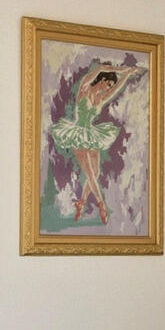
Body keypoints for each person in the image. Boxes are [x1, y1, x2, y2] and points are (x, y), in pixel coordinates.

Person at [49, 60, 146, 225]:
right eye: (107, 84)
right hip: (79, 134)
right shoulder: (85, 87)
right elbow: (100, 68)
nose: (107, 88)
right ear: (102, 80)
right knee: (90, 173)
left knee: (95, 172)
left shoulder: (101, 98)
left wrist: (127, 75)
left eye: (109, 87)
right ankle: (101, 205)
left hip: (91, 135)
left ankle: (81, 202)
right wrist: (121, 70)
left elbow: (116, 89)